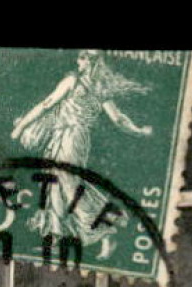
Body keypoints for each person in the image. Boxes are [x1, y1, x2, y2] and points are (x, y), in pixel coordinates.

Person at [11, 50, 155, 249]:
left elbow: (46, 104)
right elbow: (119, 119)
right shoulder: (99, 88)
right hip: (64, 136)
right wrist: (139, 131)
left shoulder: (75, 81)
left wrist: (20, 127)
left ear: (90, 61)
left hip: (72, 138)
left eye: (82, 57)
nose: (78, 61)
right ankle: (56, 233)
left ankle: (103, 229)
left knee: (68, 184)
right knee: (54, 181)